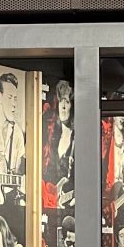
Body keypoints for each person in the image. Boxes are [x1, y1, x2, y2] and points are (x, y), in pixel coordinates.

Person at [0, 71, 26, 207]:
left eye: (15, 99)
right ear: (0, 97)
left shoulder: (17, 132)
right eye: (10, 97)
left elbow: (19, 170)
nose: (14, 104)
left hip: (9, 203)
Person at [44, 79, 75, 209]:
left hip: (69, 205)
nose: (63, 106)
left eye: (67, 102)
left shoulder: (77, 138)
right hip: (49, 201)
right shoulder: (51, 134)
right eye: (61, 100)